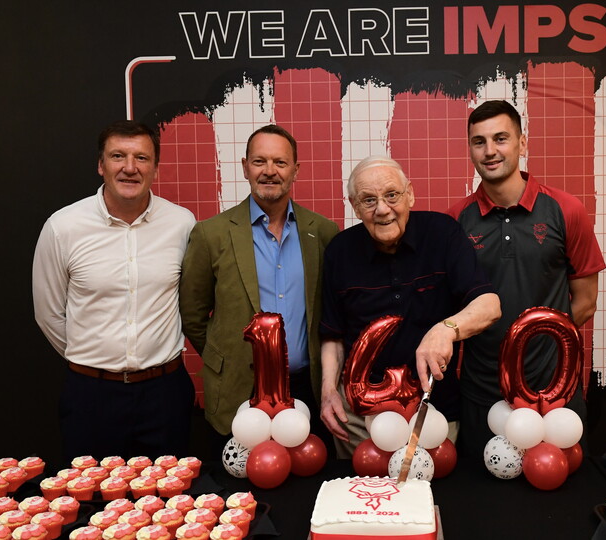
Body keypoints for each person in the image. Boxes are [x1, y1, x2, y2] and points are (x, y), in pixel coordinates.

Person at [447, 100, 606, 458]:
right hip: (482, 391)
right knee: (483, 504)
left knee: (557, 499)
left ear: (523, 143)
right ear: (470, 149)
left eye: (501, 138)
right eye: (479, 141)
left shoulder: (567, 210)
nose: (490, 151)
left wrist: (538, 346)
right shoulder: (456, 220)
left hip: (553, 391)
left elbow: (585, 301)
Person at [33, 120, 197, 460]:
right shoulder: (63, 227)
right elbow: (48, 313)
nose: (130, 168)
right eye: (118, 156)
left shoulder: (182, 224)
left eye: (141, 158)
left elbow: (190, 301)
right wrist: (95, 361)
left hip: (164, 395)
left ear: (155, 166)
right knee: (93, 502)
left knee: (171, 504)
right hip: (91, 397)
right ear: (100, 165)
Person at [319, 156, 501, 457]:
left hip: (434, 412)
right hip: (358, 420)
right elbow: (332, 335)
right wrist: (327, 393)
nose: (382, 209)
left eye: (392, 195)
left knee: (429, 497)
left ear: (410, 194)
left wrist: (446, 330)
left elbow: (489, 305)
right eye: (368, 200)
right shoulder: (339, 251)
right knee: (361, 500)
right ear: (354, 205)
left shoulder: (443, 233)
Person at [179, 124, 339, 453]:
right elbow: (193, 313)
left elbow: (332, 311)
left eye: (280, 163)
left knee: (306, 490)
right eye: (259, 161)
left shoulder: (323, 232)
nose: (269, 171)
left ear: (296, 170)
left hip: (306, 389)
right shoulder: (212, 234)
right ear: (244, 167)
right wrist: (225, 358)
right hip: (239, 388)